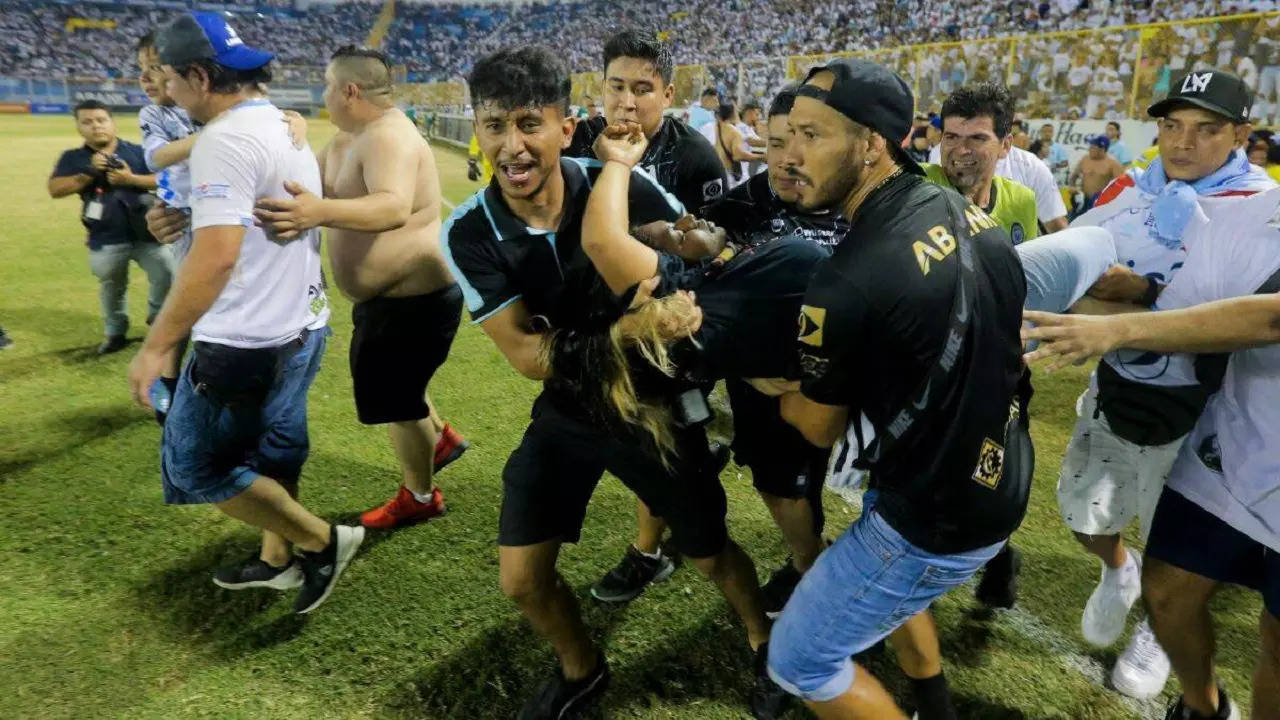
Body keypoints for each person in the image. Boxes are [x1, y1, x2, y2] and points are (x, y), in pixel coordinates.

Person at [439, 47, 780, 720]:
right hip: (567, 408)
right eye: (495, 125)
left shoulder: (615, 183)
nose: (512, 145)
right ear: (477, 131)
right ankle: (582, 670)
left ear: (566, 129)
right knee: (521, 579)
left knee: (711, 554)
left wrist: (691, 241)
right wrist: (629, 329)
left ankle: (764, 640)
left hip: (651, 406)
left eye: (529, 123)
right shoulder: (470, 232)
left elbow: (698, 240)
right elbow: (529, 357)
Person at [759, 57, 1031, 720]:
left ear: (872, 145)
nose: (792, 156)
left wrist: (771, 384)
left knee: (798, 659)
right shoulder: (966, 212)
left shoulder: (844, 282)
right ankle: (933, 699)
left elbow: (819, 426)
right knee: (896, 590)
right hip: (1000, 470)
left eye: (813, 136)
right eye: (789, 134)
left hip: (935, 514)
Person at [129, 12, 363, 614]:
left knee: (193, 467)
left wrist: (157, 345)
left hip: (246, 340)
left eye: (172, 79)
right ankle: (278, 561)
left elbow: (216, 258)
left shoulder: (224, 138)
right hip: (301, 323)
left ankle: (322, 542)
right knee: (275, 451)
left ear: (201, 76)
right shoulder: (281, 127)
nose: (169, 92)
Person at [1054, 68, 1273, 701]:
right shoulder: (1131, 185)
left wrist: (1145, 292)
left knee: (1174, 550)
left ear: (1240, 134)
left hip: (1203, 407)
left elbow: (1247, 321)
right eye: (1171, 126)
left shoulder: (1261, 208)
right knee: (1082, 514)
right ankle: (1116, 571)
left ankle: (1154, 625)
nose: (1182, 144)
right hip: (1117, 383)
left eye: (1205, 130)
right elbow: (1078, 258)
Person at [1025, 187, 1280, 720]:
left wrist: (1116, 328)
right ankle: (1201, 707)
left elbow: (1270, 319)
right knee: (1167, 594)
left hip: (1225, 438)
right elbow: (1180, 309)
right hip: (1231, 446)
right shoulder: (1246, 215)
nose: (1185, 141)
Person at [251, 45, 470, 531]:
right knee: (400, 386)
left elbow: (391, 207)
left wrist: (318, 212)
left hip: (416, 301)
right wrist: (296, 143)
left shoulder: (388, 137)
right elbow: (309, 179)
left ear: (350, 90)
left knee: (397, 400)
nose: (322, 97)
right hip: (392, 302)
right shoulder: (353, 136)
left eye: (327, 87)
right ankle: (440, 440)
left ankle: (421, 495)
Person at [49, 100, 171, 356]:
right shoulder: (74, 158)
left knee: (166, 275)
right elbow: (56, 189)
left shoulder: (138, 152)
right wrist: (90, 173)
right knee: (112, 287)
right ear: (79, 127)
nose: (96, 126)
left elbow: (167, 181)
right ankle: (115, 333)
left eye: (101, 120)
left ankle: (158, 321)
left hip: (148, 234)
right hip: (105, 236)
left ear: (112, 123)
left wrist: (131, 179)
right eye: (87, 122)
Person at [566, 29, 727, 216]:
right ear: (603, 89)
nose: (626, 103)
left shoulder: (696, 158)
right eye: (617, 87)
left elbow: (713, 238)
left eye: (642, 90)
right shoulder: (574, 143)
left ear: (667, 95)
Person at [1068, 135, 1123, 218]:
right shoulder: (1085, 159)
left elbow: (1122, 185)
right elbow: (1074, 177)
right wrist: (1073, 188)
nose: (1089, 149)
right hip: (1082, 201)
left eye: (1093, 147)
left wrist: (1109, 198)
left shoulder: (1113, 164)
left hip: (1100, 202)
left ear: (1102, 149)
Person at [715, 102, 765, 188]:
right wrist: (761, 157)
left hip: (730, 173)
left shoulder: (717, 127)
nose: (758, 117)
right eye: (756, 114)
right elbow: (739, 154)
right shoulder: (737, 129)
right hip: (733, 176)